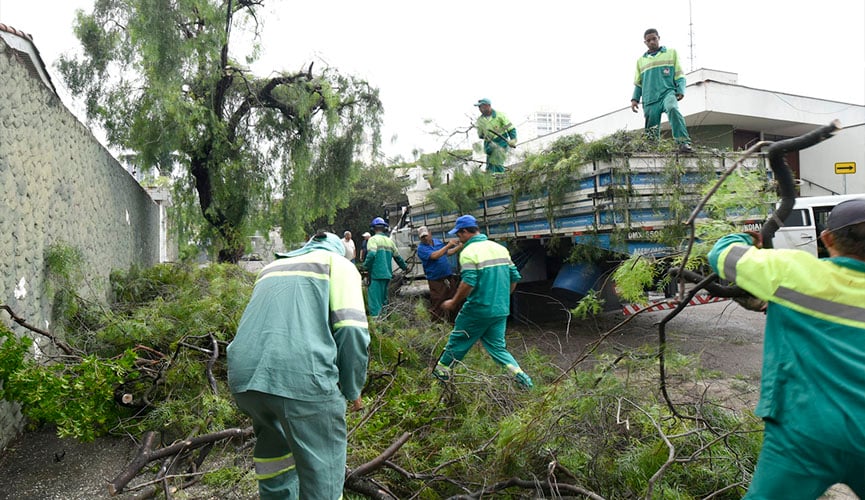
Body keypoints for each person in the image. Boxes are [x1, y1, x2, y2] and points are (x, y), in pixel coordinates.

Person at [707, 199, 865, 499]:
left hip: (802, 431)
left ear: (827, 239)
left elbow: (722, 254)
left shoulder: (793, 270)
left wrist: (747, 238)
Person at [227, 231, 370, 499]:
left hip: (245, 378)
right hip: (302, 379)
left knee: (275, 460)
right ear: (340, 250)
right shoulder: (338, 265)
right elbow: (352, 331)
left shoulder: (270, 268)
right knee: (323, 473)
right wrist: (352, 388)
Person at [433, 215, 533, 389]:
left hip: (477, 309)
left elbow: (468, 282)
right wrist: (502, 298)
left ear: (465, 232)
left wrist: (454, 301)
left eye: (458, 234)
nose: (458, 238)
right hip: (500, 309)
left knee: (458, 341)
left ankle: (440, 376)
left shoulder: (469, 252)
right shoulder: (499, 248)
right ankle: (522, 379)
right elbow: (515, 277)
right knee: (498, 349)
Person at [630, 28, 694, 153]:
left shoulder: (671, 53)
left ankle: (683, 142)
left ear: (659, 38)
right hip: (649, 99)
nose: (652, 42)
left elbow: (679, 74)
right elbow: (638, 83)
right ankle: (652, 149)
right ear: (645, 42)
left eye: (654, 39)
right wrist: (634, 99)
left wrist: (680, 90)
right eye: (648, 40)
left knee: (673, 108)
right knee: (651, 127)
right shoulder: (641, 61)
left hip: (667, 93)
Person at [416, 225, 462, 322]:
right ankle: (437, 324)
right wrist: (448, 245)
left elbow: (447, 253)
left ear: (430, 233)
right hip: (435, 280)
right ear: (420, 238)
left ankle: (453, 321)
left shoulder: (437, 242)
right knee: (438, 301)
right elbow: (434, 256)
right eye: (422, 237)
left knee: (453, 298)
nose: (425, 238)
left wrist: (459, 246)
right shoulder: (421, 248)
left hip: (448, 276)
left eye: (426, 235)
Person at [363, 217, 407, 317]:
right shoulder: (389, 241)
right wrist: (405, 267)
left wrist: (365, 266)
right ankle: (385, 322)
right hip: (387, 275)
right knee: (384, 301)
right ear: (384, 228)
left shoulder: (373, 240)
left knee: (375, 302)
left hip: (375, 275)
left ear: (373, 228)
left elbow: (371, 254)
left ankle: (376, 324)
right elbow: (398, 258)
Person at [475, 98, 517, 173]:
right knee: (490, 165)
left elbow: (510, 128)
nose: (480, 109)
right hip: (489, 144)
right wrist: (483, 134)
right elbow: (480, 135)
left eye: (481, 106)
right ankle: (491, 177)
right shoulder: (480, 120)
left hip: (501, 141)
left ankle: (500, 176)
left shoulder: (499, 115)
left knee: (497, 159)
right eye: (479, 107)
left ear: (488, 106)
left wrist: (513, 139)